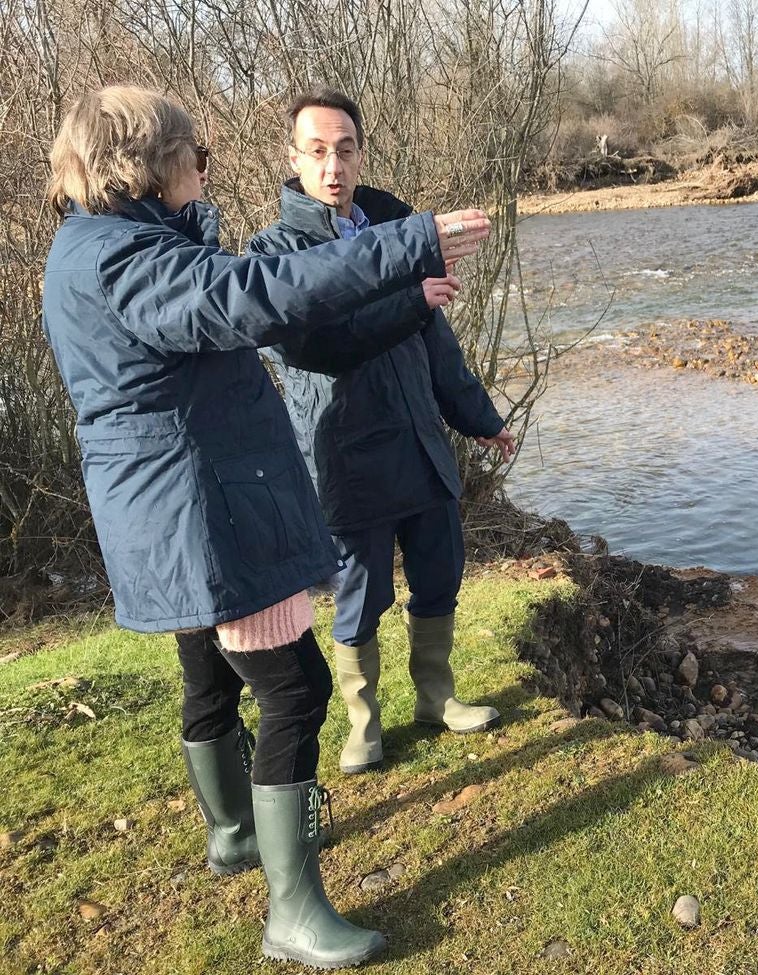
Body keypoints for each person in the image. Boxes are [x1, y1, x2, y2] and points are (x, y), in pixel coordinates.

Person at [41, 85, 489, 969]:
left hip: (166, 512)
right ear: (148, 160)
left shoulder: (100, 245)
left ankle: (234, 836)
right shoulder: (124, 258)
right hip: (206, 509)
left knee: (208, 676)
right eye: (192, 153)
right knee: (293, 691)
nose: (201, 167)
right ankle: (292, 908)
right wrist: (410, 244)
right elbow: (256, 294)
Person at [246, 87, 516, 776]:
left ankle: (437, 697)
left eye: (344, 149)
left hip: (420, 442)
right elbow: (315, 344)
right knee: (360, 593)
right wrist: (406, 299)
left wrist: (479, 419)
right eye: (316, 151)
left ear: (361, 153)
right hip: (346, 454)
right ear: (293, 158)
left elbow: (437, 346)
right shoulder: (272, 254)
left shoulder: (393, 228)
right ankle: (364, 725)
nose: (332, 166)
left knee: (440, 573)